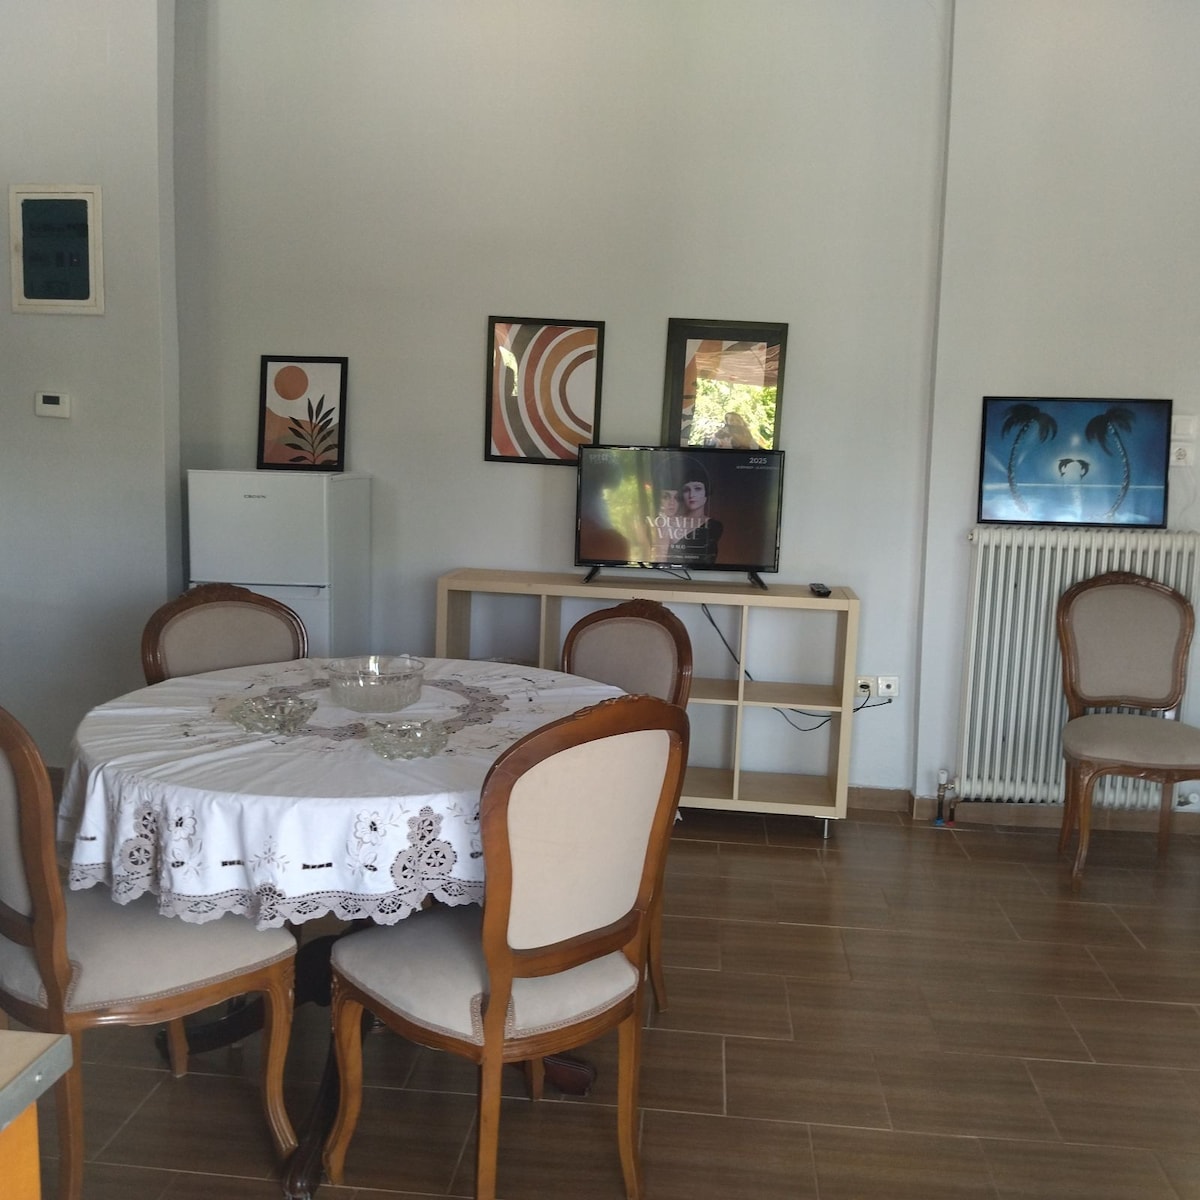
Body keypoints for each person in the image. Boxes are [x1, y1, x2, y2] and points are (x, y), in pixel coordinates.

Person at [672, 459, 723, 564]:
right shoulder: (669, 522)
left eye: (698, 489)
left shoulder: (714, 526)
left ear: (706, 492)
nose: (692, 495)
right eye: (687, 490)